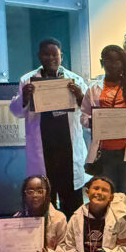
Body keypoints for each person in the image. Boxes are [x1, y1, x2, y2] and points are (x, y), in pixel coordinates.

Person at [10, 37, 89, 217]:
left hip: (68, 149)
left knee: (73, 202)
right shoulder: (28, 80)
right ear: (39, 56)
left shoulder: (74, 79)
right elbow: (16, 111)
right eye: (46, 54)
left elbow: (88, 112)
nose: (51, 58)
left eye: (55, 54)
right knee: (45, 200)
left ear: (62, 56)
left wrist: (79, 96)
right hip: (44, 150)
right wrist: (25, 97)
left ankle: (72, 238)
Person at [81, 45, 126, 195]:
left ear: (123, 63)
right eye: (109, 61)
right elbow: (83, 116)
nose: (113, 65)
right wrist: (91, 122)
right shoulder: (93, 89)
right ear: (102, 62)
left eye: (118, 61)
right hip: (104, 152)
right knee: (106, 194)